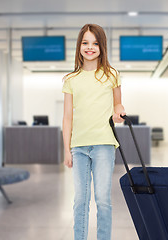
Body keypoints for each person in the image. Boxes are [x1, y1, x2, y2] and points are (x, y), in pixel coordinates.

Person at [62, 23, 126, 240]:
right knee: (80, 200)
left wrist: (120, 111)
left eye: (95, 43)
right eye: (85, 43)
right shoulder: (70, 79)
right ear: (79, 46)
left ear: (102, 46)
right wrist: (66, 149)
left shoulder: (111, 74)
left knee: (103, 200)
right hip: (78, 147)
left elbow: (118, 104)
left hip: (104, 145)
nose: (90, 47)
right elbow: (67, 117)